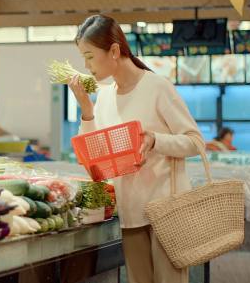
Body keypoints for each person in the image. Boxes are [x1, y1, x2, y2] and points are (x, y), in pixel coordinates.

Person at [68, 15, 205, 283]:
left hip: (167, 212)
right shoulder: (105, 96)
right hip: (130, 214)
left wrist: (156, 140)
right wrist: (87, 111)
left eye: (90, 56)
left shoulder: (157, 87)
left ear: (115, 51)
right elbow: (95, 158)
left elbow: (196, 143)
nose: (86, 66)